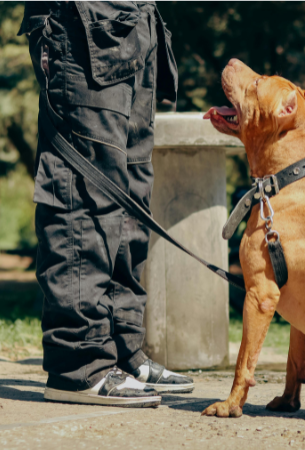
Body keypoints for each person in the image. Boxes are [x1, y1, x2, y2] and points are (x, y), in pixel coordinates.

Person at [19, 1, 193, 408]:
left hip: (134, 20)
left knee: (130, 192)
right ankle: (80, 362)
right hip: (83, 20)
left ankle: (121, 349)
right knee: (85, 190)